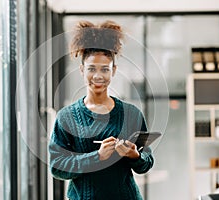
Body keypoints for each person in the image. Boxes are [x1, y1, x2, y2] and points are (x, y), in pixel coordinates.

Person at [48, 20, 154, 200]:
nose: (98, 76)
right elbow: (57, 167)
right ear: (82, 70)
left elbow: (146, 162)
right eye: (91, 69)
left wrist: (134, 154)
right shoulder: (66, 117)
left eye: (105, 69)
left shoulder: (131, 114)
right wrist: (97, 157)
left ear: (113, 71)